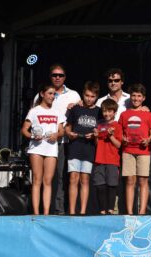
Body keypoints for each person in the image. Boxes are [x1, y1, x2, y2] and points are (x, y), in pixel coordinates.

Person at [34, 63, 81, 215]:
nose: (57, 77)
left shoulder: (74, 95)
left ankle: (59, 210)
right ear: (50, 77)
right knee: (42, 179)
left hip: (64, 142)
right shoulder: (39, 95)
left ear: (65, 77)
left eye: (60, 75)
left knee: (62, 177)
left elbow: (82, 114)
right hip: (42, 144)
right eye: (54, 75)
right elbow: (32, 118)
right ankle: (43, 211)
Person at [22, 84, 65, 215]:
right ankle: (36, 213)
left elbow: (62, 131)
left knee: (48, 181)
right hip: (36, 149)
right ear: (42, 94)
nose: (52, 96)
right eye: (50, 93)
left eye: (54, 94)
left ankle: (46, 214)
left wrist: (56, 135)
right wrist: (33, 136)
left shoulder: (57, 112)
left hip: (51, 149)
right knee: (37, 180)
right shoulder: (34, 111)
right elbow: (24, 130)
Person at [118, 83, 151, 215]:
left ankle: (142, 212)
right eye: (133, 96)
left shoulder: (148, 114)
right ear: (130, 97)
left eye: (139, 96)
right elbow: (119, 132)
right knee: (129, 181)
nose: (136, 99)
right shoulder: (124, 114)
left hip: (143, 152)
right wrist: (122, 139)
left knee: (143, 181)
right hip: (128, 151)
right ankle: (129, 213)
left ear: (143, 98)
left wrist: (149, 139)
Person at [65, 81, 100, 215]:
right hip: (75, 147)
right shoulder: (75, 108)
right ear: (83, 94)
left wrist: (95, 135)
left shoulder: (98, 111)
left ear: (96, 97)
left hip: (89, 149)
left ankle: (83, 211)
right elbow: (68, 125)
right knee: (73, 178)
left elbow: (101, 128)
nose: (89, 98)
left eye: (92, 96)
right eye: (87, 95)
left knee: (85, 179)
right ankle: (72, 211)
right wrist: (69, 133)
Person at [92, 99, 123, 215]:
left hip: (112, 160)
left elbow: (119, 145)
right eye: (105, 111)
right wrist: (96, 136)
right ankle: (102, 210)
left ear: (115, 112)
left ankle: (110, 209)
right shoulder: (99, 125)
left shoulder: (118, 126)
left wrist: (111, 136)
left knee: (111, 185)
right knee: (100, 185)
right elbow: (97, 143)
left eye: (110, 111)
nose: (107, 114)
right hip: (100, 159)